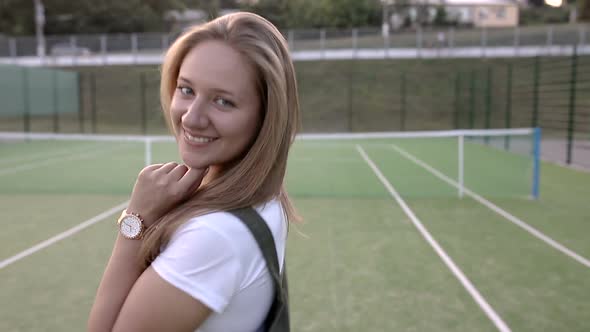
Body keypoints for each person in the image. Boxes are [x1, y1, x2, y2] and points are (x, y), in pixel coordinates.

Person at [88, 12, 300, 332]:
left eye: (223, 102)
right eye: (186, 90)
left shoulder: (214, 238)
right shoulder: (265, 200)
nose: (192, 118)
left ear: (266, 116)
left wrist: (135, 221)